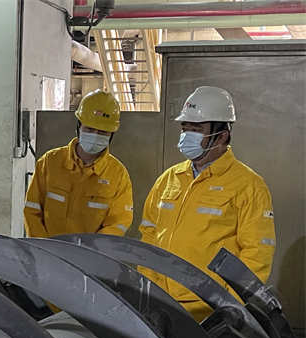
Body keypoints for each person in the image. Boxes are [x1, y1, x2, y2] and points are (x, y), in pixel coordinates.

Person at [139, 86, 276, 322]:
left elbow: (257, 254)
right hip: (161, 303)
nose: (187, 135)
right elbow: (149, 234)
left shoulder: (249, 185)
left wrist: (229, 306)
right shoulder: (169, 179)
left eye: (196, 129)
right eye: (185, 128)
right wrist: (149, 288)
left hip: (210, 311)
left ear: (222, 135)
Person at [24, 89, 133, 238]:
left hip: (90, 252)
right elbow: (32, 210)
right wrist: (43, 247)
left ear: (111, 134)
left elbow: (118, 223)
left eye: (102, 132)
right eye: (90, 129)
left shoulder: (118, 175)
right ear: (79, 127)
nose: (95, 136)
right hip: (48, 249)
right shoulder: (49, 163)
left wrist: (92, 249)